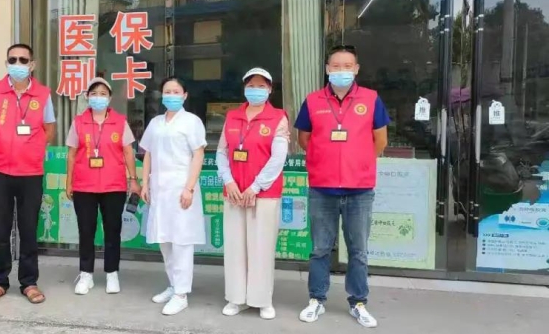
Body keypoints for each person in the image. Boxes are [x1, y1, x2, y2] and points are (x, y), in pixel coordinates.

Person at [295, 45, 389, 328]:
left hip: (359, 190)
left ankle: (358, 302)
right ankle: (316, 299)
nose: (341, 71)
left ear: (356, 69)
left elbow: (380, 140)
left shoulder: (371, 99)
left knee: (358, 250)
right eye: (336, 66)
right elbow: (304, 139)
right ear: (327, 69)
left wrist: (357, 162)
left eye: (347, 66)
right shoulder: (313, 100)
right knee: (320, 249)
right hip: (322, 188)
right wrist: (326, 160)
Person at [0, 43, 56, 306]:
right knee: (0, 230)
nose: (18, 64)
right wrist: (0, 149)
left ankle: (29, 282)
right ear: (6, 63)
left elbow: (49, 130)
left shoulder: (42, 94)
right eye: (13, 60)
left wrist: (30, 150)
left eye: (23, 60)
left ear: (32, 65)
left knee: (29, 229)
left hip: (30, 172)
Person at [216, 68, 290, 320]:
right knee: (235, 247)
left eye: (261, 86)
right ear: (244, 88)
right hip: (234, 193)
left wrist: (256, 186)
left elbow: (278, 158)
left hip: (264, 194)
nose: (255, 90)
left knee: (261, 247)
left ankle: (262, 300)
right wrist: (229, 181)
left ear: (269, 89)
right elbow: (222, 152)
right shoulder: (232, 116)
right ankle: (236, 298)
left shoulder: (278, 118)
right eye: (251, 85)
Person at [65, 77, 141, 295]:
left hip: (113, 186)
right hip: (84, 186)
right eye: (94, 94)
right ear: (87, 97)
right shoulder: (79, 122)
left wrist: (133, 179)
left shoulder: (120, 122)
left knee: (112, 231)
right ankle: (86, 274)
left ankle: (112, 273)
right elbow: (72, 154)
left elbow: (128, 152)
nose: (98, 97)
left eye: (103, 94)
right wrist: (69, 182)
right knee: (86, 231)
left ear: (110, 98)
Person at [139, 77, 207, 316]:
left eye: (176, 92)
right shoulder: (156, 123)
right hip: (160, 189)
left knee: (181, 241)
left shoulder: (191, 121)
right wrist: (145, 182)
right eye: (167, 91)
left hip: (181, 188)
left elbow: (198, 154)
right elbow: (147, 153)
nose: (171, 95)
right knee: (164, 240)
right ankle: (173, 284)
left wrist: (189, 187)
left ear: (185, 95)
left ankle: (181, 294)